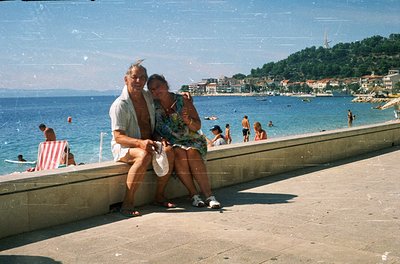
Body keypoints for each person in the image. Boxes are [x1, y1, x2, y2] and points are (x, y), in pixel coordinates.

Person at [109, 61, 175, 217]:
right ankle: (127, 203)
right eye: (134, 77)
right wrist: (140, 143)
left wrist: (185, 97)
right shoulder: (120, 105)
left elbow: (166, 96)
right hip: (125, 146)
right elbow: (118, 137)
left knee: (169, 151)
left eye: (142, 78)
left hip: (147, 142)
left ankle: (159, 196)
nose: (138, 81)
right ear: (126, 79)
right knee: (143, 154)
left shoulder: (147, 97)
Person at [147, 74, 221, 209]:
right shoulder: (152, 105)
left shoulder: (183, 100)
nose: (155, 91)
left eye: (158, 87)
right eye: (152, 89)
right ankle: (194, 195)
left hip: (192, 139)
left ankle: (209, 196)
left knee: (192, 152)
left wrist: (187, 121)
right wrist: (159, 138)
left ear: (166, 84)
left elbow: (197, 126)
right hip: (172, 142)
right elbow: (153, 129)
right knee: (180, 154)